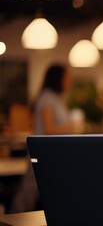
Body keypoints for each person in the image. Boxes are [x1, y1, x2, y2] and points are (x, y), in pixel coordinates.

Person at [9, 64, 77, 213]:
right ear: (58, 79)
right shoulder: (47, 97)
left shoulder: (57, 98)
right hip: (42, 153)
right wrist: (70, 126)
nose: (69, 81)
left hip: (54, 155)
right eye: (67, 77)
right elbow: (49, 129)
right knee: (28, 193)